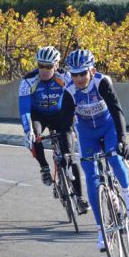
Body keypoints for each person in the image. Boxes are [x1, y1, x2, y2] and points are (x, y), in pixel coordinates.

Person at [61, 48, 129, 251]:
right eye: (74, 74)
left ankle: (128, 194)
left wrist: (123, 140)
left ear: (92, 71)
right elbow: (65, 126)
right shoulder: (69, 91)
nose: (79, 78)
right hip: (87, 133)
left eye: (82, 73)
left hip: (108, 127)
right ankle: (101, 230)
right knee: (91, 178)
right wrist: (66, 153)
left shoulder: (101, 82)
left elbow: (117, 110)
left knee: (114, 158)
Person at [19, 46, 90, 214]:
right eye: (41, 65)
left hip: (60, 115)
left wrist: (76, 123)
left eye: (49, 66)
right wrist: (28, 130)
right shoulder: (28, 81)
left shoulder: (66, 77)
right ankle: (44, 167)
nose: (44, 70)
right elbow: (24, 109)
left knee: (69, 156)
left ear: (56, 65)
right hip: (38, 116)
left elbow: (75, 99)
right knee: (34, 136)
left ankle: (80, 198)